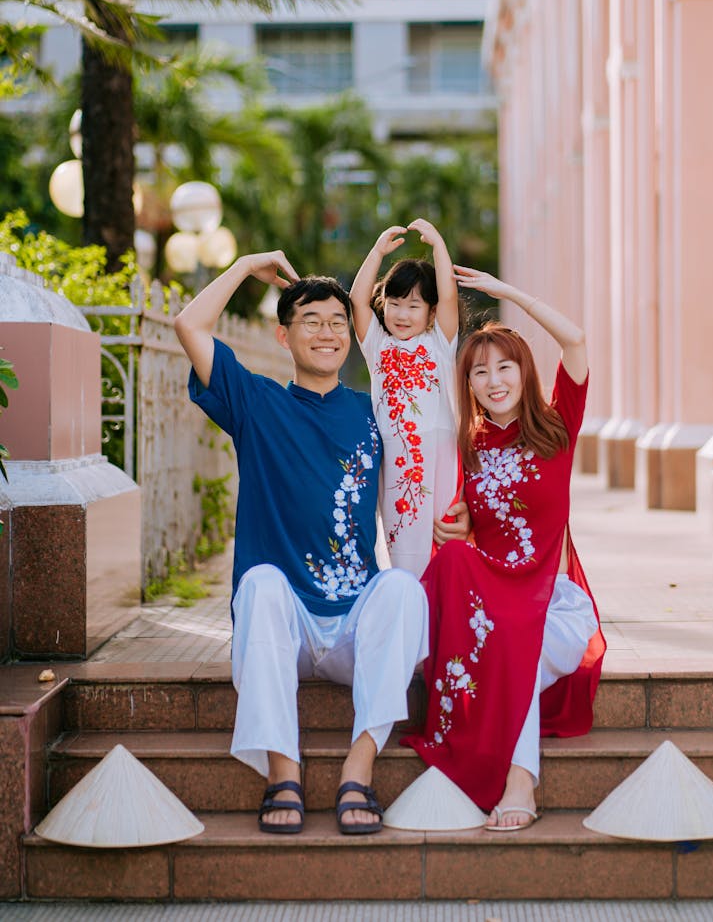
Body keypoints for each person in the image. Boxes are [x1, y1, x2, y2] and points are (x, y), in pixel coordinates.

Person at [174, 251, 464, 837]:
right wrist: (243, 267)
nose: (327, 331)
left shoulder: (372, 410)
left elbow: (432, 451)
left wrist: (465, 515)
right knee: (258, 584)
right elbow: (188, 325)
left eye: (337, 321)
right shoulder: (256, 403)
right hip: (286, 625)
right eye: (311, 320)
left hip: (353, 624)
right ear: (283, 335)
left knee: (404, 590)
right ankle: (285, 772)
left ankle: (358, 771)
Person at [401, 266, 606, 831]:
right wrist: (452, 531)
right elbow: (457, 526)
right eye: (479, 372)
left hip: (550, 608)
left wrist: (507, 295)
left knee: (516, 643)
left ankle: (519, 780)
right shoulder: (466, 446)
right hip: (492, 609)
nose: (493, 380)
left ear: (523, 371)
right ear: (466, 385)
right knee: (459, 562)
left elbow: (577, 341)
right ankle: (517, 781)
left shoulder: (558, 425)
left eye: (504, 366)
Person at [349, 219, 461, 577]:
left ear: (430, 314)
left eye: (414, 306)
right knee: (405, 556)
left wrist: (439, 245)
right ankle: (407, 613)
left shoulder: (439, 344)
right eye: (395, 303)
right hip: (398, 462)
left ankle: (446, 617)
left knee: (447, 542)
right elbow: (356, 300)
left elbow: (449, 295)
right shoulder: (378, 346)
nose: (401, 314)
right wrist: (378, 252)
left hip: (442, 454)